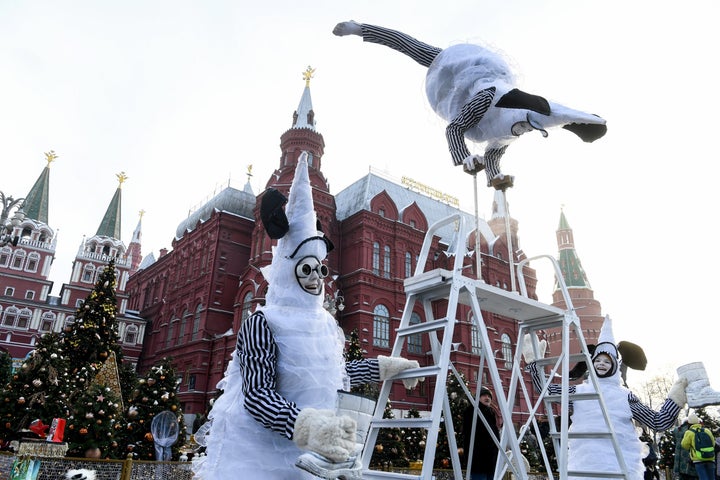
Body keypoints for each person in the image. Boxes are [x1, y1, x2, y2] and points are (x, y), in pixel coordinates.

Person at [192, 153, 420, 480]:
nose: (317, 278)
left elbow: (332, 373)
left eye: (321, 269)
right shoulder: (263, 322)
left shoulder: (322, 323)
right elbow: (257, 395)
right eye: (307, 269)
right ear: (287, 268)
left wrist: (384, 367)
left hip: (311, 458)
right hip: (260, 458)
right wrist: (309, 426)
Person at [333, 20, 607, 190]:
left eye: (526, 128)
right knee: (415, 49)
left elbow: (492, 155)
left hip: (491, 93)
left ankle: (568, 119)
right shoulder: (486, 99)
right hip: (459, 75)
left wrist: (495, 178)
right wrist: (464, 157)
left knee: (540, 118)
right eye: (523, 125)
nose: (522, 130)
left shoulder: (512, 133)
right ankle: (361, 28)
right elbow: (453, 129)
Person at [523, 316, 686, 479]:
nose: (601, 364)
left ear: (615, 365)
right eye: (598, 360)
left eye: (607, 361)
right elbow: (547, 390)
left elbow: (659, 421)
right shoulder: (579, 392)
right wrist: (534, 365)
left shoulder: (624, 397)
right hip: (584, 468)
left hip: (619, 468)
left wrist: (676, 399)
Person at [462, 386, 500, 480]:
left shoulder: (490, 412)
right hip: (479, 457)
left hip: (490, 457)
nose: (487, 398)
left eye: (489, 396)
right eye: (483, 395)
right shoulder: (472, 411)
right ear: (477, 397)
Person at [681, 412, 717, 480]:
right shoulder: (707, 430)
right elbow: (713, 443)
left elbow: (684, 445)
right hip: (710, 457)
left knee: (703, 478)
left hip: (698, 459)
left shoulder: (689, 432)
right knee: (712, 478)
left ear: (689, 423)